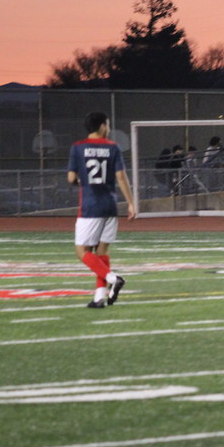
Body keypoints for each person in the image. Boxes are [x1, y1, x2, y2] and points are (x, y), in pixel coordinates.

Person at [66, 111, 135, 309]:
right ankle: (99, 298)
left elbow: (71, 178)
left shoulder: (78, 147)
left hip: (90, 206)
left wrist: (81, 182)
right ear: (103, 126)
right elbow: (121, 177)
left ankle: (113, 279)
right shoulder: (113, 147)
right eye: (108, 124)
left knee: (82, 251)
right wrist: (131, 203)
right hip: (110, 206)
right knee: (102, 251)